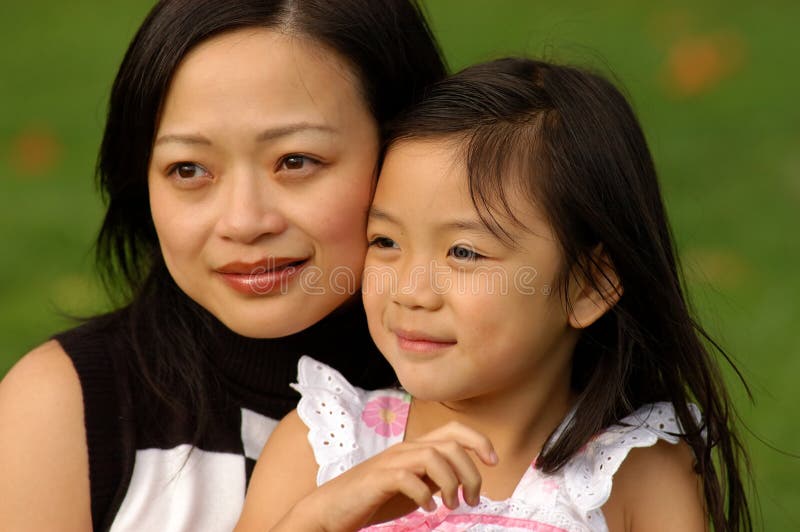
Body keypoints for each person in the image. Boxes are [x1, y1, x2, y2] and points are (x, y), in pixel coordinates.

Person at [236, 58, 752, 531]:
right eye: (386, 241)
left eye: (463, 252)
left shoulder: (636, 474)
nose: (412, 292)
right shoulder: (324, 448)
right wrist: (322, 521)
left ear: (589, 285)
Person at [0, 1, 446, 530]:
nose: (243, 221)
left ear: (409, 148)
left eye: (295, 161)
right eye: (188, 169)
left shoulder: (526, 391)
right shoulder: (63, 410)